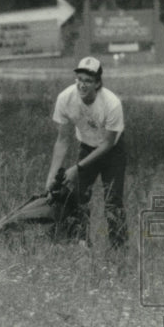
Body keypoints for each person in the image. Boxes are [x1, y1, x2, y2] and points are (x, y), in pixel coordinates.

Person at [46, 56, 127, 248]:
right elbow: (63, 139)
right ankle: (82, 245)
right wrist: (50, 177)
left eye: (88, 81)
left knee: (112, 202)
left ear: (98, 83)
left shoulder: (111, 103)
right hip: (86, 146)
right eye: (80, 79)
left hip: (112, 151)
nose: (82, 85)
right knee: (78, 197)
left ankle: (119, 251)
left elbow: (107, 144)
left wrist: (77, 168)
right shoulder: (65, 98)